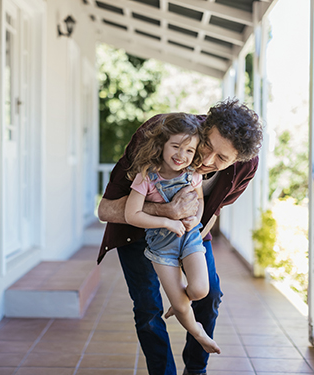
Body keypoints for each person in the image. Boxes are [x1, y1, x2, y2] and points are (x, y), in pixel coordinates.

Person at [97, 98, 263, 375]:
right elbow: (106, 210)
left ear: (237, 160)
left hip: (190, 232)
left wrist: (188, 254)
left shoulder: (245, 167)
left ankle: (196, 370)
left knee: (208, 296)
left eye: (222, 159)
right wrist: (167, 211)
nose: (208, 161)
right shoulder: (162, 133)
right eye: (207, 146)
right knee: (148, 309)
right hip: (138, 231)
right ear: (204, 127)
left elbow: (211, 211)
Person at [124, 113, 221, 354]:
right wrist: (168, 223)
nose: (181, 155)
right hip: (161, 246)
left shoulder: (192, 174)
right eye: (175, 147)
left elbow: (199, 201)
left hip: (189, 237)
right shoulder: (146, 177)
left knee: (200, 290)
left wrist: (194, 220)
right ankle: (197, 331)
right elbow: (132, 215)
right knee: (180, 304)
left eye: (189, 150)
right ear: (162, 144)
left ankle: (180, 306)